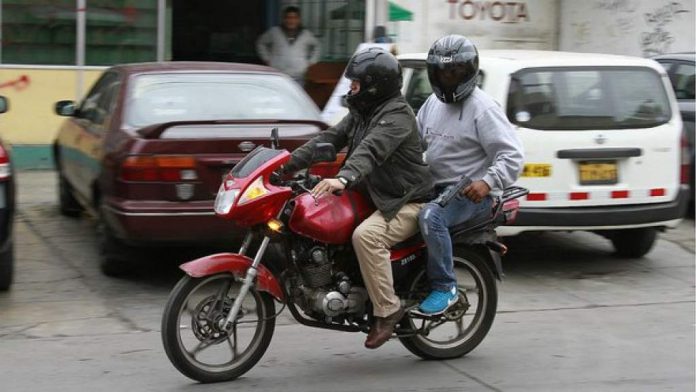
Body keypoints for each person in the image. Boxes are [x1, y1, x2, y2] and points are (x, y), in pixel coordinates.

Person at [282, 47, 433, 349]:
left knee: (366, 237)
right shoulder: (362, 112)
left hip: (404, 200)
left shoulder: (398, 116)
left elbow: (371, 150)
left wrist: (343, 177)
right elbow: (327, 139)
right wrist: (284, 165)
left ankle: (387, 310)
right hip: (374, 195)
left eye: (356, 84)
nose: (351, 89)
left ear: (374, 86)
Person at [416, 35, 524, 315]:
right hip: (435, 185)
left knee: (432, 216)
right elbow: (415, 143)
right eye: (442, 72)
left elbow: (512, 155)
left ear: (468, 71)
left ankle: (444, 286)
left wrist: (487, 182)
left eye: (454, 72)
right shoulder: (432, 104)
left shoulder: (483, 108)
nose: (447, 78)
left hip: (468, 192)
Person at [256, 6, 320, 86]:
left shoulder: (306, 34)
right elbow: (261, 43)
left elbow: (317, 45)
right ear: (284, 19)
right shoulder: (274, 32)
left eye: (294, 17)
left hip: (298, 76)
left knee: (296, 97)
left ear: (298, 20)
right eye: (288, 17)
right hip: (278, 75)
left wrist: (311, 61)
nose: (291, 20)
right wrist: (267, 59)